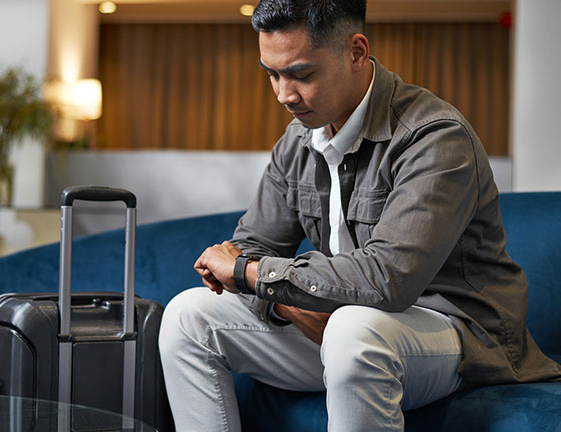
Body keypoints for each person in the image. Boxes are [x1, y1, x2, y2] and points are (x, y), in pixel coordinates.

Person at [157, 1, 561, 431]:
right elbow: (251, 247)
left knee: (353, 328)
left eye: (301, 74)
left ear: (356, 52)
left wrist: (260, 277)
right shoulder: (297, 141)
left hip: (456, 335)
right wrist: (290, 303)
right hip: (339, 330)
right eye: (272, 74)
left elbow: (387, 279)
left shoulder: (435, 137)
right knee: (188, 315)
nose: (284, 94)